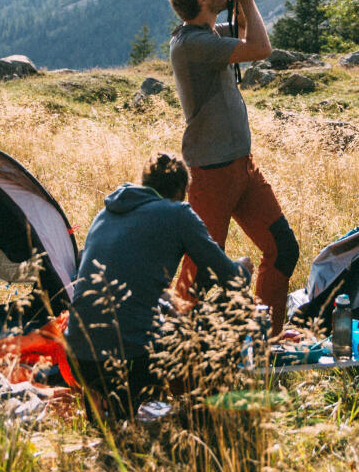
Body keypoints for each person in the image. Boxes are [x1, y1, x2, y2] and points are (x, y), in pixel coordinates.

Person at [160, 0, 297, 336]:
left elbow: (243, 35)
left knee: (282, 249)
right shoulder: (191, 43)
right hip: (212, 176)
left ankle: (264, 341)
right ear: (202, 0)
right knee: (199, 275)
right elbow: (260, 48)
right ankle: (176, 350)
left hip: (241, 168)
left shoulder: (207, 36)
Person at [66, 153, 249, 422]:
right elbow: (230, 276)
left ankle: (111, 414)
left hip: (78, 356)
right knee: (224, 311)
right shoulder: (177, 213)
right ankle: (205, 416)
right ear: (179, 191)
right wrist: (245, 267)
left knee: (166, 311)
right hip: (130, 358)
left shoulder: (104, 214)